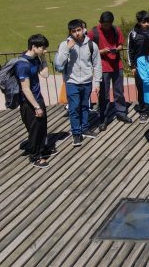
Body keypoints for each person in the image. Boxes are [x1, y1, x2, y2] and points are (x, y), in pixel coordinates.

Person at [54, 19, 102, 147]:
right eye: (74, 31)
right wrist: (67, 49)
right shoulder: (64, 45)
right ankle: (76, 133)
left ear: (83, 29)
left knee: (85, 106)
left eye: (79, 30)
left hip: (87, 81)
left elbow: (97, 65)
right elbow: (59, 63)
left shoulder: (92, 45)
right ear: (70, 32)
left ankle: (85, 128)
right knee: (74, 108)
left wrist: (97, 82)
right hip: (71, 82)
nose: (77, 33)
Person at [87, 11, 131, 129]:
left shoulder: (116, 30)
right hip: (102, 67)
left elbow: (120, 44)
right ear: (100, 22)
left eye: (109, 24)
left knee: (119, 91)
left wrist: (116, 49)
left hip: (117, 65)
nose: (107, 27)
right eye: (105, 24)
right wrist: (102, 51)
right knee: (104, 95)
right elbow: (87, 49)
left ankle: (121, 113)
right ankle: (103, 118)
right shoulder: (93, 32)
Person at [16, 34, 51, 168]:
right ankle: (34, 157)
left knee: (42, 127)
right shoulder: (22, 65)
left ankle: (42, 150)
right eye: (43, 48)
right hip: (29, 102)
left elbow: (45, 74)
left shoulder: (35, 58)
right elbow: (25, 89)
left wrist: (43, 58)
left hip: (37, 98)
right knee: (35, 129)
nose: (45, 50)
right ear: (34, 47)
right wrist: (36, 107)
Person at [127, 11, 149, 124]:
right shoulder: (133, 34)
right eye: (144, 22)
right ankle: (143, 110)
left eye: (148, 21)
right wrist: (132, 66)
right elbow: (130, 51)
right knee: (141, 89)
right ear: (139, 22)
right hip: (139, 66)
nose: (147, 24)